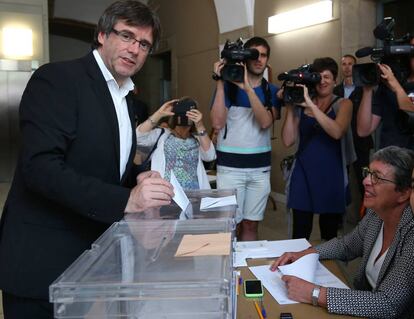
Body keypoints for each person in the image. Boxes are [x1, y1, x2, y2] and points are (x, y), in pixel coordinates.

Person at [0, 1, 174, 318]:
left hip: (85, 262)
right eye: (126, 35)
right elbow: (40, 168)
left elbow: (103, 163)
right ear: (102, 35)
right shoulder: (58, 80)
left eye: (144, 44)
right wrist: (128, 198)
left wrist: (136, 176)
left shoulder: (128, 99)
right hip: (41, 263)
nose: (134, 49)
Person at [270, 146, 414, 319]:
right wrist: (306, 253)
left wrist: (314, 293)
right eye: (368, 173)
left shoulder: (411, 235)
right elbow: (346, 245)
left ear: (404, 193)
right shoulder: (376, 214)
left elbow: (387, 304)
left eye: (377, 177)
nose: (366, 181)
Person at [210, 37, 281, 241]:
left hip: (259, 170)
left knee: (251, 224)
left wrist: (248, 88)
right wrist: (221, 82)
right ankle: (228, 271)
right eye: (254, 54)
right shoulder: (227, 88)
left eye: (264, 55)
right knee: (231, 225)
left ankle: (245, 270)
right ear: (245, 58)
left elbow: (266, 122)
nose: (259, 59)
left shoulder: (271, 91)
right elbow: (216, 123)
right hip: (230, 168)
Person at [281, 57, 354, 241]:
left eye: (327, 77)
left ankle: (329, 269)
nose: (322, 81)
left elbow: (337, 132)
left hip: (331, 176)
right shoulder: (302, 104)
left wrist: (312, 107)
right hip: (303, 174)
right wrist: (291, 105)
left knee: (329, 235)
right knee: (300, 232)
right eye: (318, 77)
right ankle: (297, 268)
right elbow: (287, 140)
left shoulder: (343, 104)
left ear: (335, 80)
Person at [136, 98, 216, 189]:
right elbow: (138, 137)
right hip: (166, 193)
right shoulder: (161, 134)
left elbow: (210, 156)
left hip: (195, 194)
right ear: (175, 116)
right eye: (182, 114)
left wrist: (200, 125)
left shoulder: (197, 139)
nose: (185, 117)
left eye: (191, 114)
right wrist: (158, 114)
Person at [357, 36, 414, 149]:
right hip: (388, 160)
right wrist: (368, 90)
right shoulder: (389, 85)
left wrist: (396, 87)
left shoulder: (394, 84)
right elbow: (363, 130)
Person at [334, 54, 373, 199]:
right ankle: (338, 219)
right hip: (340, 142)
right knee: (340, 181)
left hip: (360, 143)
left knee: (364, 182)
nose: (347, 67)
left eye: (350, 64)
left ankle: (367, 219)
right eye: (344, 64)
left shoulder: (365, 89)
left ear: (355, 67)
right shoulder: (335, 91)